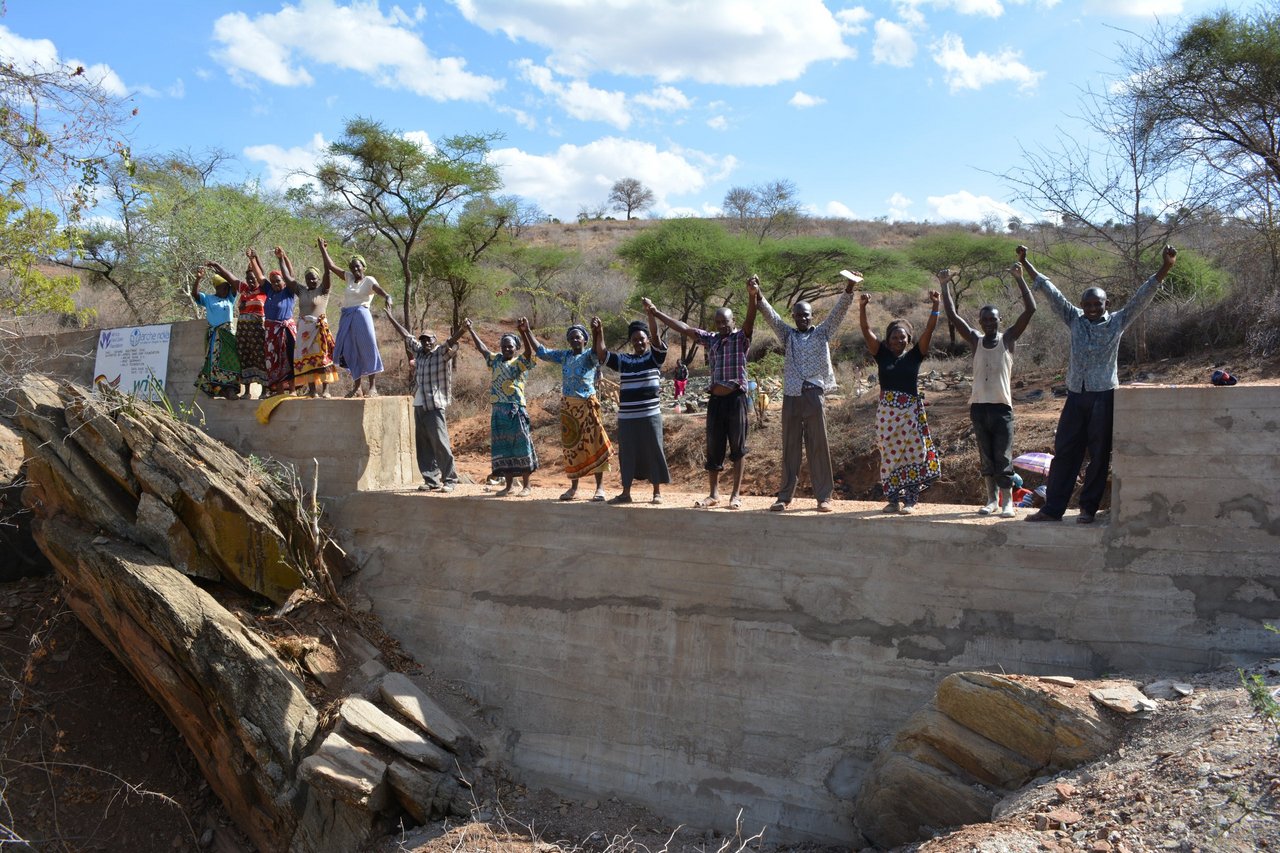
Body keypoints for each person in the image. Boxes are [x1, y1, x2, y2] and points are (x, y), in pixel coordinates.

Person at [1020, 244, 1177, 524]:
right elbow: (1051, 292)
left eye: (1098, 304)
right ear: (1082, 305)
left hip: (1103, 397)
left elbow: (1143, 296)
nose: (1092, 309)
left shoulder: (1117, 321)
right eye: (1088, 304)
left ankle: (1088, 509)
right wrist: (1026, 262)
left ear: (1106, 304)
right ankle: (1052, 509)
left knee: (1099, 455)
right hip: (1076, 396)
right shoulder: (1074, 319)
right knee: (1065, 452)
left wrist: (1166, 267)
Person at [753, 273, 858, 512]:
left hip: (813, 395)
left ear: (811, 317)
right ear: (793, 317)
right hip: (791, 396)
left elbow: (838, 312)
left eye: (806, 315)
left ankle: (824, 497)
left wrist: (849, 287)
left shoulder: (822, 332)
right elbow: (772, 316)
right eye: (798, 315)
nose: (802, 318)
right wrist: (757, 293)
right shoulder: (787, 335)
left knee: (818, 445)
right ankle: (784, 497)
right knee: (790, 447)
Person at [646, 286, 757, 509]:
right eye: (718, 322)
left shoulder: (741, 338)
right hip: (715, 402)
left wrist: (752, 295)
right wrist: (657, 313)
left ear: (733, 321)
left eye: (726, 321)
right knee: (714, 447)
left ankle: (735, 495)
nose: (722, 325)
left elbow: (750, 319)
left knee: (738, 448)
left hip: (736, 399)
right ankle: (714, 494)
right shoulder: (711, 339)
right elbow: (684, 328)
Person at [940, 264, 1036, 517]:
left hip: (1002, 408)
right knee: (986, 457)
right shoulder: (976, 340)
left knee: (1003, 457)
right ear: (980, 322)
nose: (989, 323)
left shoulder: (1008, 339)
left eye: (993, 319)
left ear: (999, 320)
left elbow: (1030, 310)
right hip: (979, 408)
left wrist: (1020, 278)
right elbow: (953, 315)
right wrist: (944, 285)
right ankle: (991, 500)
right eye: (985, 319)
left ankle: (1007, 503)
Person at [859, 288, 943, 514]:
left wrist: (936, 306)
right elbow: (866, 330)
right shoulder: (881, 354)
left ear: (909, 339)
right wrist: (863, 307)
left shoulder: (915, 355)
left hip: (910, 414)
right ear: (888, 340)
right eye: (894, 337)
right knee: (889, 457)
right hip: (887, 416)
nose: (898, 340)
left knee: (914, 455)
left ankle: (911, 501)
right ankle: (893, 500)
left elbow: (929, 329)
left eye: (902, 337)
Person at [528, 319, 612, 502]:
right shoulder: (565, 356)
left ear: (585, 340)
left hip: (587, 406)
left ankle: (600, 488)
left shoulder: (590, 356)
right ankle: (574, 488)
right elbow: (542, 352)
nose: (574, 340)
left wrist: (597, 331)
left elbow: (599, 351)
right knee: (571, 447)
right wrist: (527, 331)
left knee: (595, 444)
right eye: (571, 338)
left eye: (578, 337)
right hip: (569, 408)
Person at [595, 305, 670, 505]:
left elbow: (656, 336)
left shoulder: (654, 357)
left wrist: (651, 314)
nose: (638, 342)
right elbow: (602, 354)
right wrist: (599, 332)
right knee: (627, 454)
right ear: (631, 342)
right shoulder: (624, 360)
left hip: (650, 415)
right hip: (627, 417)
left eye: (642, 339)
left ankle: (656, 492)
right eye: (635, 339)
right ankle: (626, 493)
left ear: (647, 340)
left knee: (654, 450)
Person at [385, 309, 464, 493]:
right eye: (423, 340)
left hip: (434, 405)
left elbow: (451, 341)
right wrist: (390, 316)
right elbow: (406, 335)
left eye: (429, 339)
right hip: (419, 404)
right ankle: (431, 480)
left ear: (435, 340)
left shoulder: (440, 354)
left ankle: (450, 479)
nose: (426, 342)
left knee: (440, 442)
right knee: (423, 444)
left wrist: (463, 329)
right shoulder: (419, 353)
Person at [465, 319, 538, 497]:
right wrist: (471, 330)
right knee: (503, 447)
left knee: (521, 445)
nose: (506, 349)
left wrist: (523, 332)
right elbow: (482, 349)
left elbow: (529, 352)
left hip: (515, 409)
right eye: (504, 346)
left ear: (516, 348)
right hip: (498, 410)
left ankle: (527, 486)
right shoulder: (495, 360)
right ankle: (509, 486)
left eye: (510, 346)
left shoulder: (520, 363)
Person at [320, 242, 393, 398]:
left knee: (368, 347)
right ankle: (357, 388)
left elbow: (378, 289)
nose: (355, 269)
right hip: (347, 316)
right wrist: (323, 249)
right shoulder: (349, 278)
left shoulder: (369, 280)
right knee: (350, 350)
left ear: (363, 267)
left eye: (357, 266)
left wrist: (387, 296)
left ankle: (373, 387)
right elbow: (331, 266)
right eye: (352, 267)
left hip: (362, 315)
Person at [278, 240, 338, 397]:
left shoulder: (323, 290)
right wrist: (281, 259)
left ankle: (326, 390)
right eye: (308, 278)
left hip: (318, 329)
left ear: (318, 279)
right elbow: (287, 278)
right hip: (304, 330)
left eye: (314, 278)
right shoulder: (301, 290)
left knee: (323, 358)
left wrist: (323, 250)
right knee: (307, 359)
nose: (311, 280)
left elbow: (328, 271)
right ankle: (312, 390)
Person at [206, 252, 268, 399]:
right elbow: (229, 277)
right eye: (248, 279)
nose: (251, 281)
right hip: (243, 332)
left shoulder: (263, 291)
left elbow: (262, 273)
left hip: (258, 331)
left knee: (261, 358)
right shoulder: (244, 289)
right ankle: (246, 392)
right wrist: (216, 265)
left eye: (253, 278)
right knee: (245, 359)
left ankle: (264, 391)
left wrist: (254, 258)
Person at [191, 267, 241, 399]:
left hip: (228, 333)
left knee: (233, 360)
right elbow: (195, 294)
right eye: (224, 288)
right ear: (217, 288)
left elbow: (235, 285)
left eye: (228, 288)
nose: (227, 290)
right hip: (215, 336)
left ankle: (230, 389)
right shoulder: (208, 299)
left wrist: (222, 272)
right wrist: (198, 279)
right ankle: (219, 390)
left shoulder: (230, 298)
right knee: (214, 362)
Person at [262, 259, 298, 398]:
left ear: (284, 281)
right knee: (274, 360)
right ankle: (279, 391)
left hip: (286, 331)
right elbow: (260, 277)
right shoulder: (270, 292)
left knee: (289, 357)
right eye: (273, 282)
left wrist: (282, 258)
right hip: (272, 333)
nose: (276, 284)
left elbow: (291, 275)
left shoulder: (288, 291)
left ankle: (293, 389)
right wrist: (252, 259)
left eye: (278, 281)